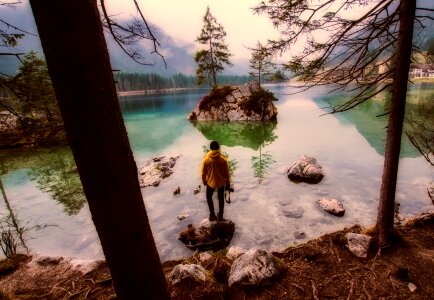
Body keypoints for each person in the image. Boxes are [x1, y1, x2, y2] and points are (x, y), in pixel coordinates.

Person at [201, 140, 231, 221]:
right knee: (221, 198)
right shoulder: (223, 159)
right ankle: (220, 216)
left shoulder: (206, 159)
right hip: (221, 182)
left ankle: (212, 215)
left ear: (210, 148)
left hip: (210, 183)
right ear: (218, 148)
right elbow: (227, 173)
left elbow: (203, 172)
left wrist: (204, 181)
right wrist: (228, 183)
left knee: (208, 197)